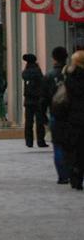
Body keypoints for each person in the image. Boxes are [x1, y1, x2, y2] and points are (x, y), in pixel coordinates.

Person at [58, 50, 84, 190]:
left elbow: (62, 101)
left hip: (72, 119)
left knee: (74, 150)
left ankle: (76, 178)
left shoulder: (68, 78)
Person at [46, 48, 70, 184]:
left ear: (53, 58)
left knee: (58, 146)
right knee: (73, 145)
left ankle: (62, 175)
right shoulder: (72, 75)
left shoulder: (49, 76)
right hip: (73, 115)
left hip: (56, 114)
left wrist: (42, 116)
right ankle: (75, 173)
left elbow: (43, 98)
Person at [21, 53, 48, 148]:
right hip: (38, 100)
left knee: (28, 122)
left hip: (28, 100)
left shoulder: (26, 71)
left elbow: (24, 76)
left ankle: (29, 141)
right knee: (39, 122)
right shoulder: (37, 71)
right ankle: (41, 141)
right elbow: (42, 84)